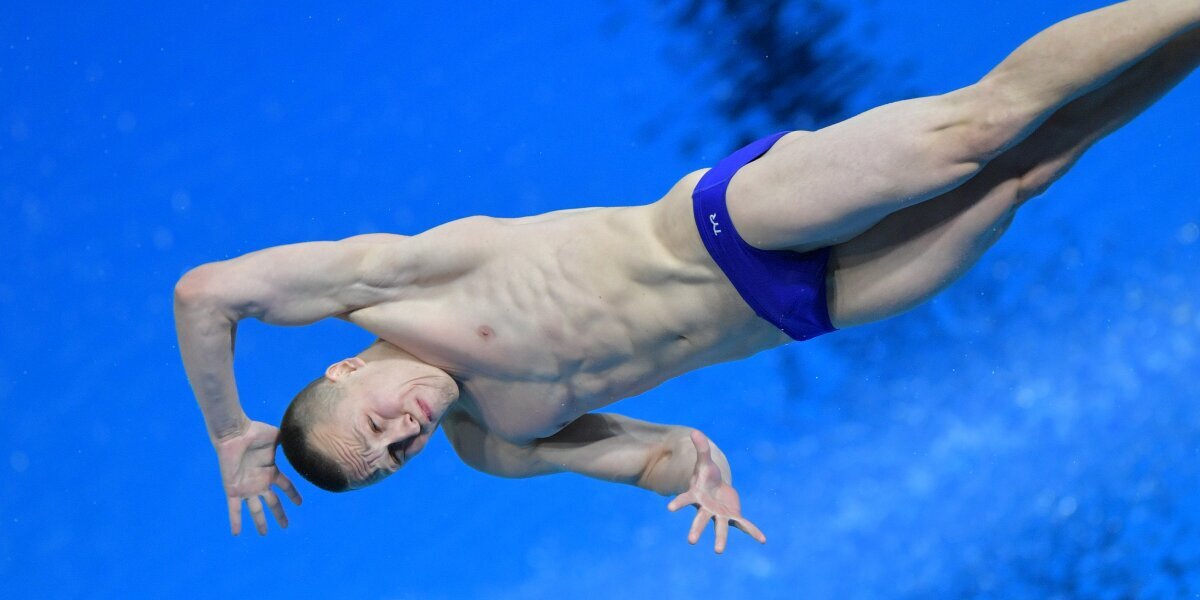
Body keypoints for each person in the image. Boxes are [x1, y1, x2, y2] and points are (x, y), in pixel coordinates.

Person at [175, 0, 1200, 553]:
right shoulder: (497, 442)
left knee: (976, 130)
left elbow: (206, 292)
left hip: (724, 228)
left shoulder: (394, 285)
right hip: (809, 304)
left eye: (373, 426)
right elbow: (653, 456)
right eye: (394, 458)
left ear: (348, 370)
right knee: (1031, 169)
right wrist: (691, 470)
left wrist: (231, 430)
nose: (403, 434)